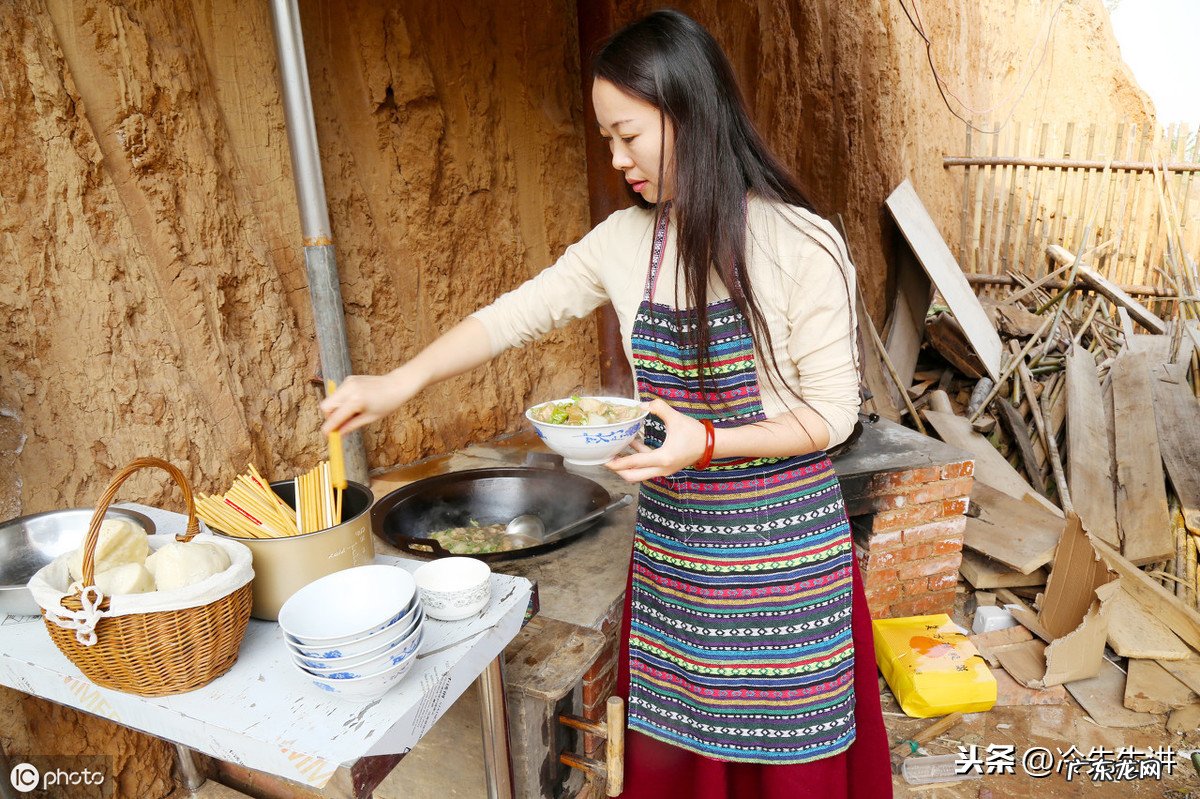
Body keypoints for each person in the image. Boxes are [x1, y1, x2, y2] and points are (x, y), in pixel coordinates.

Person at [321, 9, 892, 798]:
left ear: (691, 112)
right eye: (607, 139)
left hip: (783, 561)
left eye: (629, 134)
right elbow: (513, 314)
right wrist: (401, 380)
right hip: (677, 551)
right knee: (679, 757)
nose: (618, 157)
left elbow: (832, 416)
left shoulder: (802, 245)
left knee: (787, 766)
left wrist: (707, 442)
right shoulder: (625, 243)